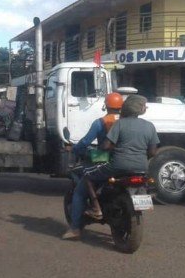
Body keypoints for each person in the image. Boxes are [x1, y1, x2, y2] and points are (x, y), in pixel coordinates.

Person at [63, 94, 159, 240]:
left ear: (105, 106)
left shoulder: (104, 122)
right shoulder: (149, 126)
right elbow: (152, 152)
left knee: (83, 182)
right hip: (141, 166)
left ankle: (78, 226)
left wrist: (77, 149)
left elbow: (99, 146)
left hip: (109, 159)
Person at [66, 92, 123, 219]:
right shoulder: (126, 122)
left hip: (103, 156)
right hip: (123, 157)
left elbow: (85, 142)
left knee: (77, 174)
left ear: (106, 106)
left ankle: (75, 227)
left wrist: (74, 148)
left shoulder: (100, 122)